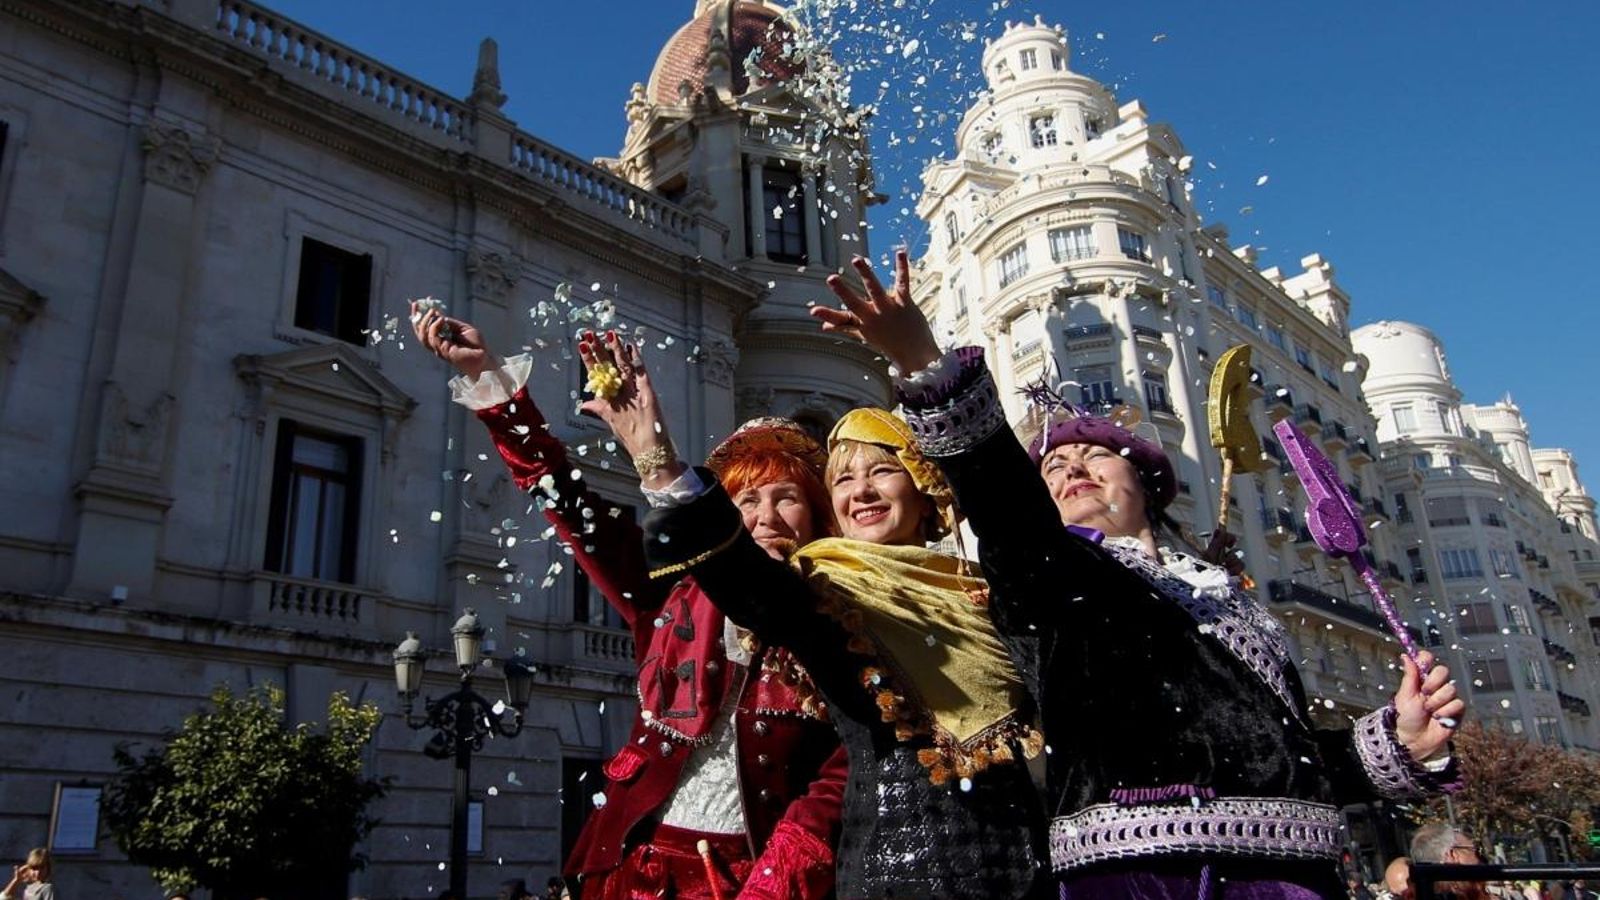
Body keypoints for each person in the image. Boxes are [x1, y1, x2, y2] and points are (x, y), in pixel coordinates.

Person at [818, 249, 1467, 898]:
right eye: (1053, 466)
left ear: (1144, 480)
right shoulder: (1056, 576)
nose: (1071, 467)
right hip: (1147, 878)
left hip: (1298, 878)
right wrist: (926, 365)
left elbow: (1282, 759)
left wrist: (1395, 742)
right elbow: (1008, 509)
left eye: (1094, 454)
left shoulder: (1233, 603)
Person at [568, 331, 1050, 897]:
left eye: (882, 470)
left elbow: (1023, 533)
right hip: (877, 875)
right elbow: (746, 583)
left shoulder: (987, 591)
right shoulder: (823, 593)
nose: (862, 491)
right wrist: (657, 462)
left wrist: (928, 368)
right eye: (844, 478)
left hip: (1010, 866)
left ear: (925, 487)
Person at [414, 307, 847, 900]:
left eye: (786, 497)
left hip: (754, 879)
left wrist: (774, 881)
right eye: (746, 501)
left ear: (817, 514)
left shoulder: (842, 616)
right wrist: (490, 381)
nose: (766, 516)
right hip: (630, 871)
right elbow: (566, 500)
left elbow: (842, 772)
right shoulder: (673, 591)